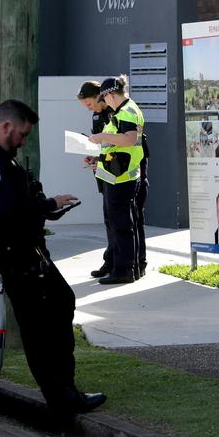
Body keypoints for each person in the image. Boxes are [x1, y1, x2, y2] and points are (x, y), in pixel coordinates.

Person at [0, 99, 107, 422]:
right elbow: (6, 212)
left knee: (57, 308)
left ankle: (64, 392)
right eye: (22, 135)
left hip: (28, 254)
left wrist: (46, 207)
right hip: (18, 259)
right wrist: (47, 204)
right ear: (6, 127)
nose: (24, 141)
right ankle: (62, 396)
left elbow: (18, 205)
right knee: (41, 328)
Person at [87, 76, 145, 284]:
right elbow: (120, 144)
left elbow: (129, 139)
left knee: (121, 226)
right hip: (118, 175)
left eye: (105, 98)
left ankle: (123, 270)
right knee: (122, 224)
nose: (106, 102)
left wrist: (102, 137)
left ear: (110, 94)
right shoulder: (124, 110)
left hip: (122, 178)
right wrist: (98, 156)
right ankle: (129, 268)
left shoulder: (127, 111)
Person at [76, 81, 113, 278]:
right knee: (109, 218)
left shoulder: (115, 112)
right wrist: (93, 156)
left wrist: (102, 157)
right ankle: (111, 260)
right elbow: (99, 143)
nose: (90, 109)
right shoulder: (97, 115)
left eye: (90, 104)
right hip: (102, 170)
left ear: (99, 95)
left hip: (118, 172)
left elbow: (119, 144)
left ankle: (124, 262)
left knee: (119, 221)